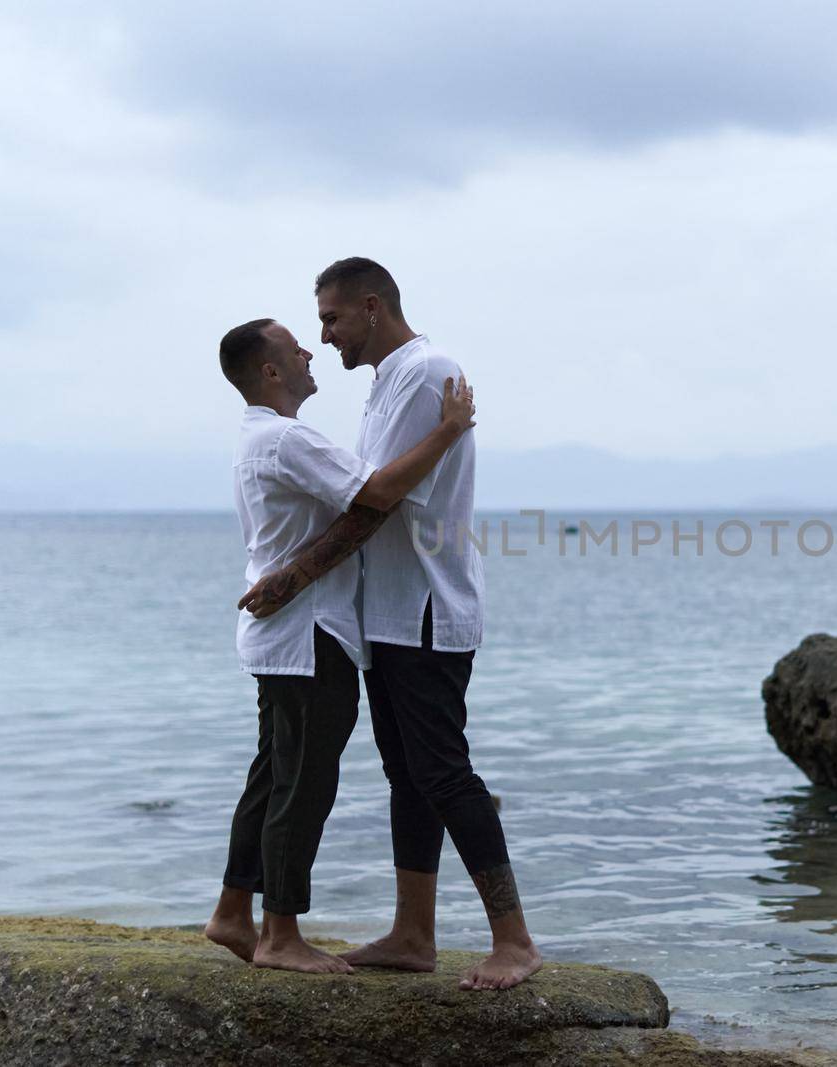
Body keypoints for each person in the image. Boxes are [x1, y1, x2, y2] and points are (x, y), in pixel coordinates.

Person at [238, 259, 542, 991]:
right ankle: (414, 933)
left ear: (371, 307)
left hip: (428, 612)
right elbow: (363, 496)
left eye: (332, 319)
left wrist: (295, 574)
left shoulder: (426, 370)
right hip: (391, 616)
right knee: (407, 777)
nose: (324, 335)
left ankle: (515, 941)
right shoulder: (387, 382)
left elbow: (372, 502)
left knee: (442, 770)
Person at [204, 317, 475, 975]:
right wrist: (448, 430)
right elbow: (378, 493)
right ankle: (280, 934)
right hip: (310, 636)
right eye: (294, 345)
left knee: (272, 775)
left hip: (283, 635)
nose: (308, 349)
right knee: (303, 785)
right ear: (270, 371)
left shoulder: (259, 438)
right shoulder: (288, 438)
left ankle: (234, 912)